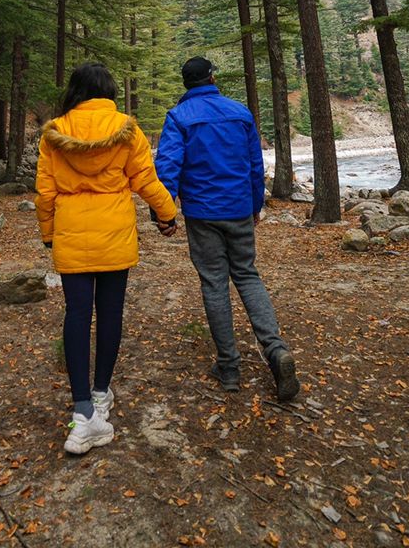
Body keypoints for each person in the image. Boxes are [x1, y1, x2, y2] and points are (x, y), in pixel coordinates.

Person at [35, 62, 178, 454]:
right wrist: (168, 214)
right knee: (110, 313)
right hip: (114, 234)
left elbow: (45, 192)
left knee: (77, 314)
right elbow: (146, 180)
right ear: (109, 91)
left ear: (76, 91)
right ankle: (100, 394)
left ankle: (83, 411)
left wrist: (48, 233)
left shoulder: (55, 132)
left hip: (71, 233)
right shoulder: (126, 129)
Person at [154, 56, 299, 401]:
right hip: (237, 209)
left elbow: (168, 165)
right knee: (247, 275)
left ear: (187, 84)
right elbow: (254, 165)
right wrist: (254, 207)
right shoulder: (239, 113)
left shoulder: (179, 117)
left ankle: (229, 367)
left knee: (214, 283)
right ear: (212, 78)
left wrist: (163, 214)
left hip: (203, 213)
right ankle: (275, 350)